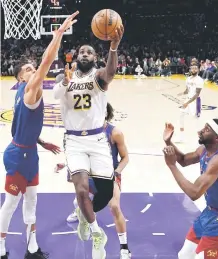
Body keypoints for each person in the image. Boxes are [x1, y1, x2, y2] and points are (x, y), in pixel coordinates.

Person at [0, 11, 79, 259]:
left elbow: (20, 126)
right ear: (21, 77)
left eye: (33, 68)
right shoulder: (30, 89)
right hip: (18, 156)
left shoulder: (23, 92)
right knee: (11, 203)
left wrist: (41, 141)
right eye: (28, 69)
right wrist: (57, 35)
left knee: (31, 202)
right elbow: (46, 61)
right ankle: (0, 247)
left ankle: (32, 248)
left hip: (29, 151)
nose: (33, 69)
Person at [53, 25, 124, 259]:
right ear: (76, 56)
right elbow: (55, 95)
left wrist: (113, 47)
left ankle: (85, 215)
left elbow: (111, 73)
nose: (84, 54)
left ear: (95, 58)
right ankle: (96, 233)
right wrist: (64, 81)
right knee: (81, 189)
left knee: (105, 191)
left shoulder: (99, 76)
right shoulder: (64, 77)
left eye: (89, 52)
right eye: (81, 51)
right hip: (73, 140)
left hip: (97, 139)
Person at [56, 103, 131, 259]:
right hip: (89, 173)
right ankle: (80, 210)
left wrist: (116, 172)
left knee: (115, 207)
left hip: (108, 173)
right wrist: (65, 164)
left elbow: (125, 158)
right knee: (78, 183)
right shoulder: (82, 132)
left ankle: (124, 248)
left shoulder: (115, 132)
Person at [163, 120, 218, 259]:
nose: (201, 130)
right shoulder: (203, 150)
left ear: (217, 138)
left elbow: (194, 193)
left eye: (207, 129)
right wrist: (168, 142)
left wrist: (172, 166)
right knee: (184, 255)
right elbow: (184, 160)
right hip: (209, 212)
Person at [177, 64, 204, 142]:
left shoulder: (199, 80)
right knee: (181, 115)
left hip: (195, 101)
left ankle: (201, 139)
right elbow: (187, 90)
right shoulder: (188, 79)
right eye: (192, 68)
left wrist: (187, 103)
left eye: (195, 68)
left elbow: (197, 94)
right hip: (188, 100)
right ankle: (181, 137)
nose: (194, 70)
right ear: (190, 70)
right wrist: (182, 93)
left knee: (196, 120)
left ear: (198, 70)